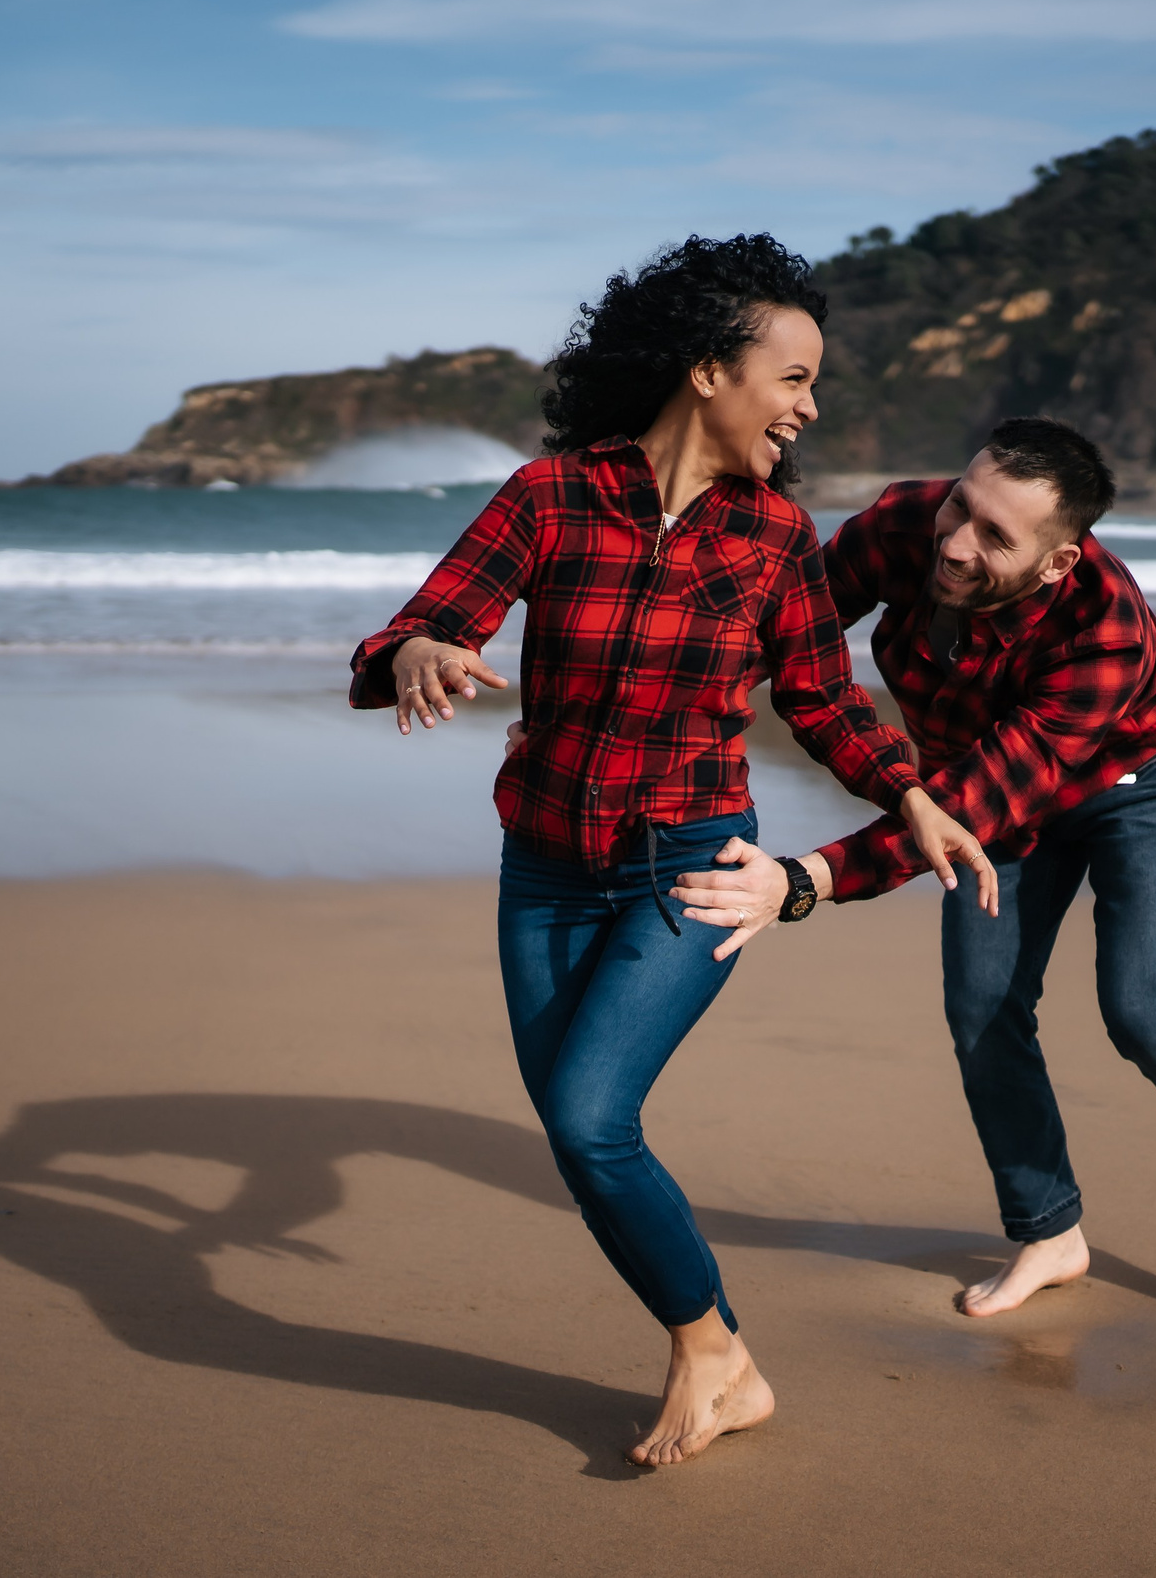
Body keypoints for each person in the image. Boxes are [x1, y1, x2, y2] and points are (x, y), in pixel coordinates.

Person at [348, 234, 995, 1467]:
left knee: (592, 1120)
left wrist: (910, 796)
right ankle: (723, 1358)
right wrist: (419, 655)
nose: (809, 408)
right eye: (793, 378)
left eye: (814, 386)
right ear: (708, 370)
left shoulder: (775, 540)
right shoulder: (549, 498)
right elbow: (426, 622)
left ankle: (710, 1354)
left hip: (690, 864)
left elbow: (823, 701)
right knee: (577, 1131)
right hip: (542, 867)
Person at [668, 417, 1156, 1316]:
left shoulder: (1101, 628)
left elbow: (969, 811)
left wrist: (798, 881)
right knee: (984, 1007)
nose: (956, 542)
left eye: (995, 536)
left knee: (1144, 1007)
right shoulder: (903, 525)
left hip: (1141, 777)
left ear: (1057, 561)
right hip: (977, 770)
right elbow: (777, 639)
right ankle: (1051, 1230)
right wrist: (637, 710)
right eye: (962, 504)